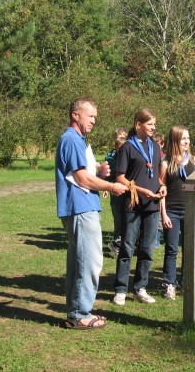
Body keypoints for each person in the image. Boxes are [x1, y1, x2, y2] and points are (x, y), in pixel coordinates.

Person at [55, 97, 128, 329]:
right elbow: (81, 178)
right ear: (75, 115)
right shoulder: (72, 139)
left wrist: (100, 171)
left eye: (95, 116)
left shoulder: (76, 140)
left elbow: (84, 173)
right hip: (81, 208)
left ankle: (76, 311)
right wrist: (111, 186)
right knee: (89, 262)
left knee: (79, 262)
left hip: (80, 207)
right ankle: (80, 314)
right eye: (90, 115)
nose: (94, 120)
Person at [113, 108, 167, 306]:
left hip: (152, 205)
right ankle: (120, 289)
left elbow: (157, 176)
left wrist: (162, 186)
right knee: (127, 247)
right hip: (133, 204)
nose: (153, 127)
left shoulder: (154, 146)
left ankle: (140, 287)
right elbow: (119, 177)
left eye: (154, 124)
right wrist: (139, 190)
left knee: (147, 249)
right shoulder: (127, 147)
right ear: (138, 124)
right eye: (150, 124)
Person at [159, 126, 195, 300]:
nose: (187, 141)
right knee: (172, 249)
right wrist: (164, 214)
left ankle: (186, 282)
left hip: (191, 211)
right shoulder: (166, 163)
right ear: (175, 140)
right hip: (172, 211)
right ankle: (170, 284)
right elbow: (161, 190)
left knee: (189, 249)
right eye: (183, 138)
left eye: (188, 138)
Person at [103, 127, 127, 257]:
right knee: (118, 221)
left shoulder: (131, 156)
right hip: (115, 195)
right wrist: (107, 188)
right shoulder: (111, 157)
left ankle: (125, 245)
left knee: (127, 222)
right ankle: (116, 246)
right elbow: (108, 175)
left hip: (127, 194)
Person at [153, 132, 166, 248]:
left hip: (163, 187)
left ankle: (159, 238)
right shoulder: (152, 155)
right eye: (155, 143)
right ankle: (155, 239)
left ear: (162, 144)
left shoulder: (164, 157)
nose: (157, 145)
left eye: (159, 143)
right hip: (154, 187)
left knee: (162, 215)